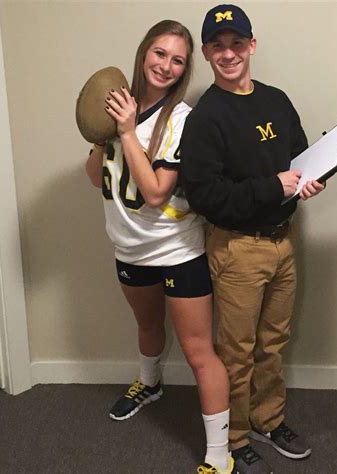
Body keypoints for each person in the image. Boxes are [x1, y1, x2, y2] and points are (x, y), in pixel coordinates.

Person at [180, 5, 325, 473]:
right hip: (238, 248)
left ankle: (269, 418)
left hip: (284, 240)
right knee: (237, 351)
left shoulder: (276, 100)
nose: (228, 54)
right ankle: (236, 437)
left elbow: (298, 155)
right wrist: (273, 187)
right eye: (218, 46)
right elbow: (204, 195)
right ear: (206, 53)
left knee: (274, 341)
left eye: (236, 44)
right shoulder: (206, 117)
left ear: (252, 46)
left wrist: (310, 179)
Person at [85, 20, 233, 473]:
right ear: (143, 52)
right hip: (128, 248)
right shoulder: (119, 108)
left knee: (198, 352)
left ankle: (218, 458)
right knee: (148, 328)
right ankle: (149, 385)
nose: (165, 66)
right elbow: (98, 179)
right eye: (159, 53)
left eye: (177, 60)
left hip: (176, 251)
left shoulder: (183, 119)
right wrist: (103, 135)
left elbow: (155, 193)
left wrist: (128, 133)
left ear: (185, 69)